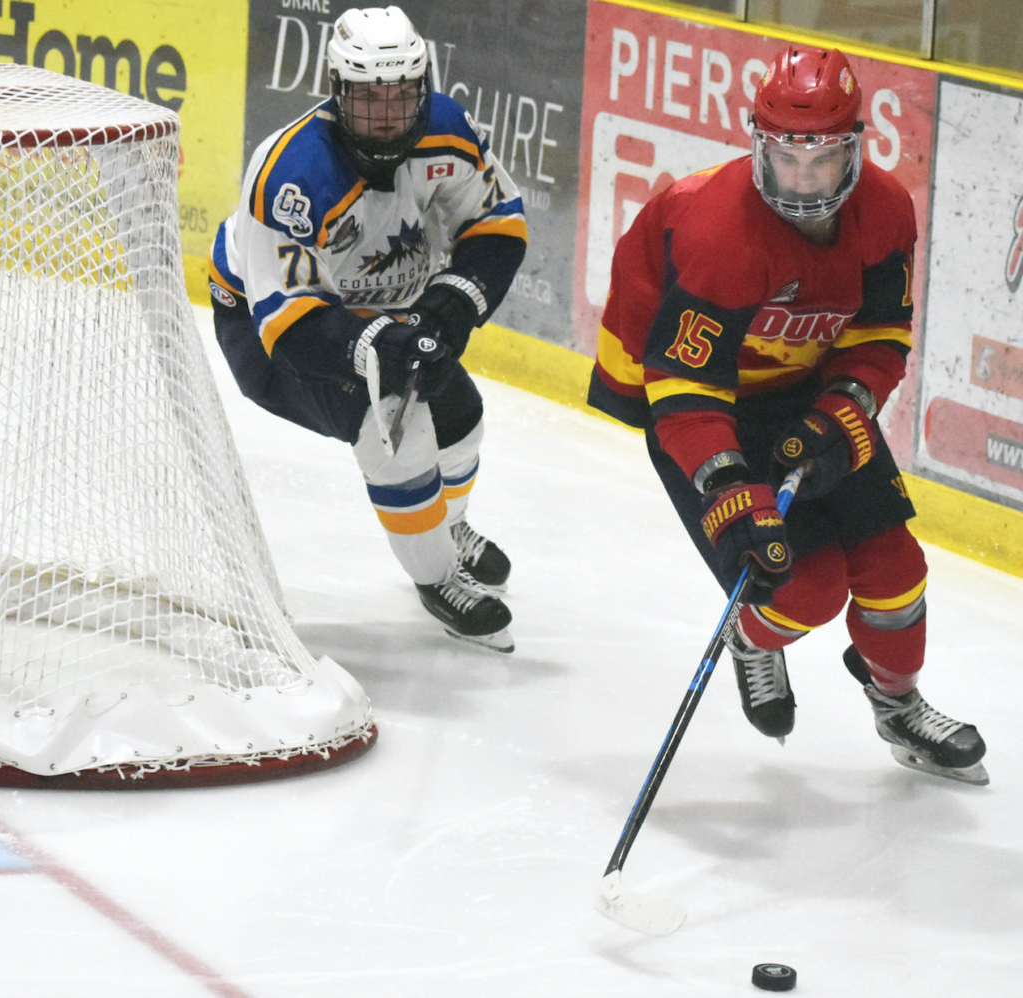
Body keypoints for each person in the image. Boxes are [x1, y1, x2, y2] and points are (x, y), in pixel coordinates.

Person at [588, 45, 986, 783]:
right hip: (705, 411)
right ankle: (753, 639)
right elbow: (680, 383)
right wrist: (729, 484)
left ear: (855, 147)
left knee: (896, 571)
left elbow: (877, 336)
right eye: (788, 157)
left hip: (805, 398)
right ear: (758, 142)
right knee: (804, 586)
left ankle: (898, 706)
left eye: (824, 159)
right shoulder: (718, 232)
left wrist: (843, 411)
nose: (805, 181)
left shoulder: (888, 210)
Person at [208, 5, 527, 651]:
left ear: (424, 87)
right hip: (272, 330)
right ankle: (437, 578)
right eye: (367, 98)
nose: (386, 115)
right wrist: (379, 344)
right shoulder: (293, 176)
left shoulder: (448, 130)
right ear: (336, 91)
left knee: (462, 420)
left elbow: (497, 223)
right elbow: (288, 323)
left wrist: (455, 301)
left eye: (401, 96)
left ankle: (447, 526)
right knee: (394, 427)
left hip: (386, 309)